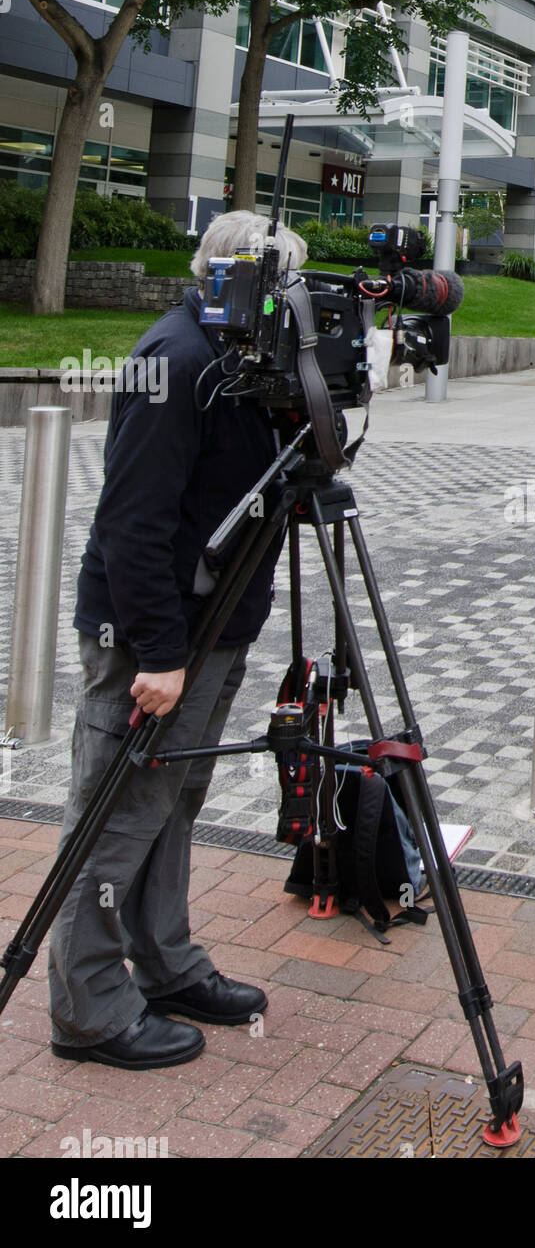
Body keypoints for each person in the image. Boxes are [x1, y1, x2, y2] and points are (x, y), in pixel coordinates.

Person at [48, 211, 307, 1070]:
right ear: (231, 279)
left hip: (216, 626)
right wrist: (159, 653)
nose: (292, 305)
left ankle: (163, 962)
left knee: (172, 804)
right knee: (117, 819)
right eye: (281, 285)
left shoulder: (248, 363)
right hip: (155, 637)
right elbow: (132, 523)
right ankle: (90, 1009)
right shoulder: (178, 360)